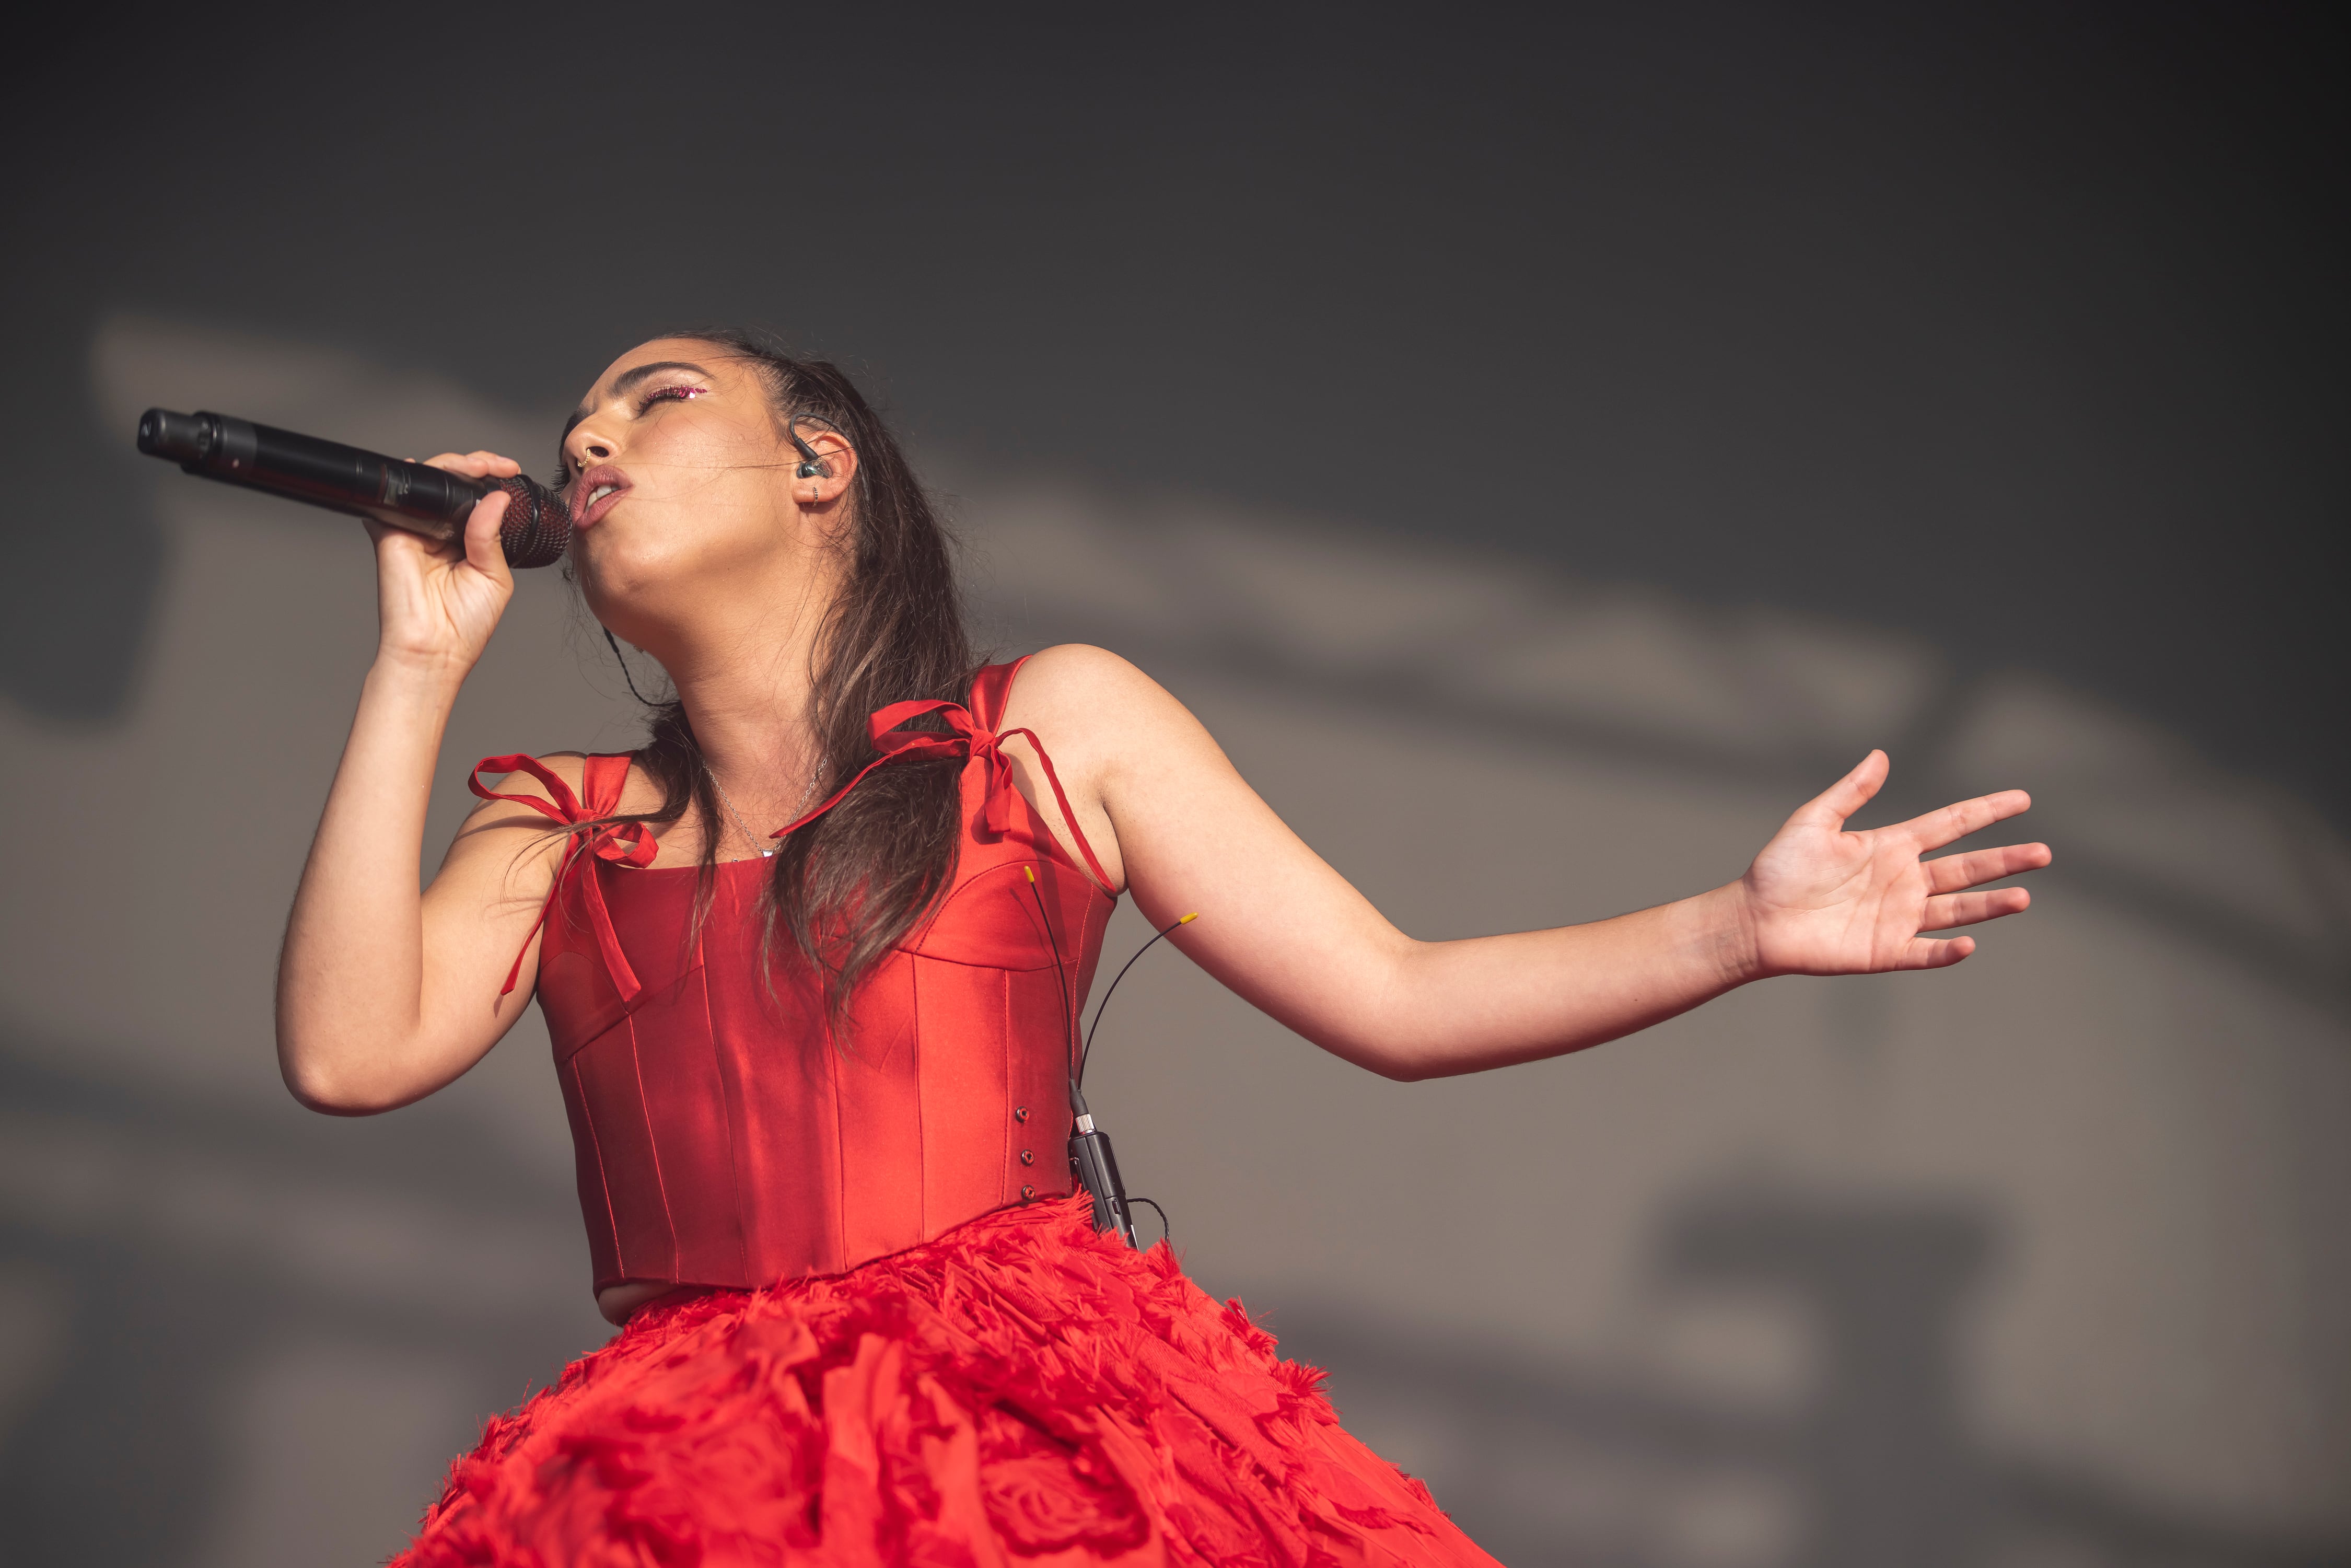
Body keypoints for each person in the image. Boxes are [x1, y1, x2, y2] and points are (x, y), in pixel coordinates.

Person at [277, 329, 2049, 1566]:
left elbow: (1397, 995)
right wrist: (420, 663)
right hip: (696, 1466)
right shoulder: (561, 815)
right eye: (574, 422)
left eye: (651, 401)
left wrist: (1738, 926)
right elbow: (353, 1056)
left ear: (818, 468)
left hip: (1031, 1424)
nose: (586, 441)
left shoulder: (1044, 728)